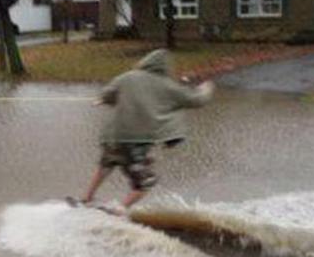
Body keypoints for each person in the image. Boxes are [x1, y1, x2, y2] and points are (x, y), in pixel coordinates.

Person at [81, 49, 215, 213]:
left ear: (146, 61)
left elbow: (107, 95)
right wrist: (206, 88)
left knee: (106, 165)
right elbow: (197, 100)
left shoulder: (127, 77)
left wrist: (106, 100)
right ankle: (119, 210)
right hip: (135, 142)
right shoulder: (168, 86)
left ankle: (86, 198)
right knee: (146, 182)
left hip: (112, 137)